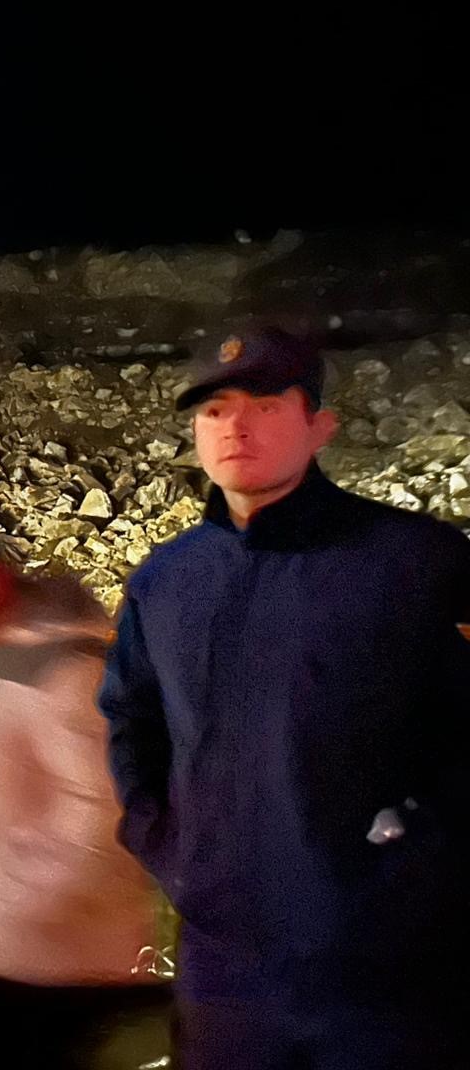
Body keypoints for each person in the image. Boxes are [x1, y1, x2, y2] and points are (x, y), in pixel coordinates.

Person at [99, 327, 470, 1067]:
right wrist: (171, 850)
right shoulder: (166, 584)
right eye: (212, 410)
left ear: (319, 425)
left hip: (388, 979)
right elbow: (131, 722)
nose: (235, 425)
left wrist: (416, 874)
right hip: (224, 974)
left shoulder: (417, 564)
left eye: (266, 404)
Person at [0, 522, 166, 1068]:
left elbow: (98, 803)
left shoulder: (64, 665)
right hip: (4, 949)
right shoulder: (11, 652)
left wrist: (18, 896)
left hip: (45, 963)